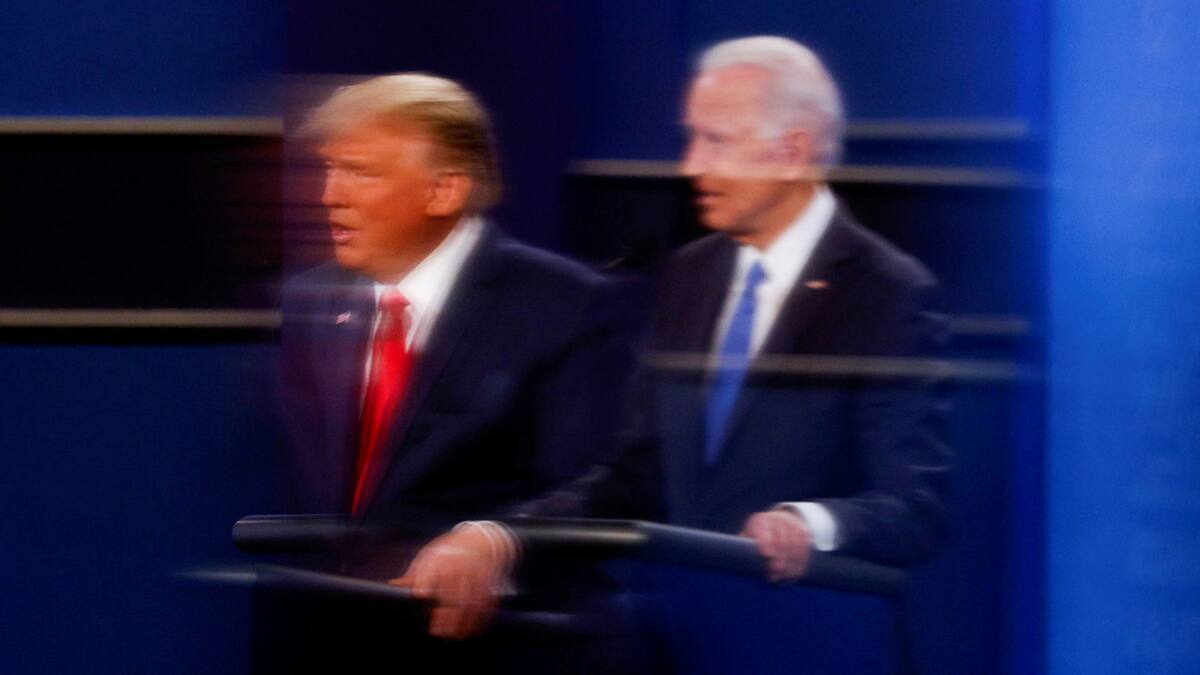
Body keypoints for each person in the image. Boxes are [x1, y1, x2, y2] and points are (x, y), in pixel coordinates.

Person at [274, 73, 636, 648]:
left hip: (492, 645)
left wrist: (496, 540)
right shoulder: (310, 302)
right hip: (329, 642)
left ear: (444, 191)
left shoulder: (566, 304)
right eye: (328, 167)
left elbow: (605, 482)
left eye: (360, 171)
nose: (329, 195)